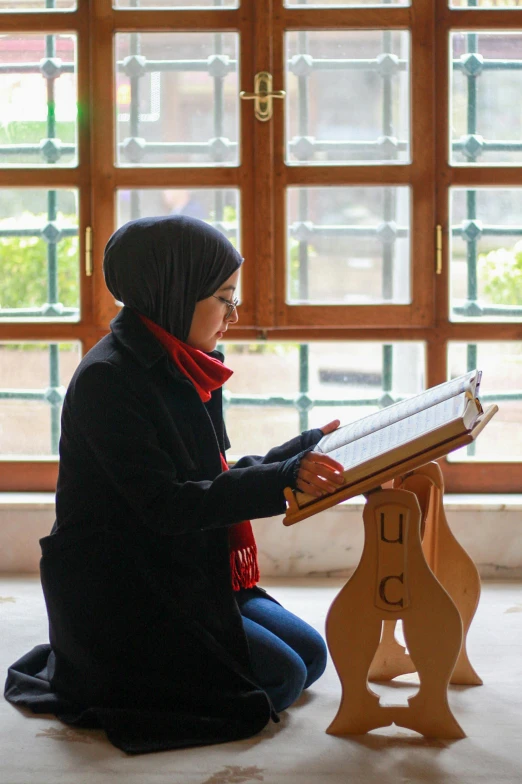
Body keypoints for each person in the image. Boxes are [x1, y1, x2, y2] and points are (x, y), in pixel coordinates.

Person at [4, 216, 345, 755]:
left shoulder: (191, 361)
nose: (234, 315)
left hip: (185, 567)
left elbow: (212, 475)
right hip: (129, 590)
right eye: (224, 298)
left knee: (312, 656)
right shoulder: (108, 380)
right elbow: (166, 505)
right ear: (175, 291)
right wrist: (280, 480)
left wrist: (296, 454)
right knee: (278, 680)